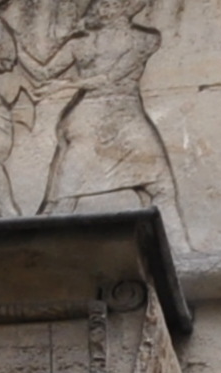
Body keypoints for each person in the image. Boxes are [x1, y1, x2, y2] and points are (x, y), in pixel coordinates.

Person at [32, 0, 184, 229]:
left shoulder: (144, 39)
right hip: (92, 120)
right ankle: (45, 250)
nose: (103, 8)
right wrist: (14, 44)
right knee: (65, 196)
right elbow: (43, 72)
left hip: (124, 118)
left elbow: (110, 78)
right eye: (102, 4)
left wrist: (65, 85)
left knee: (161, 187)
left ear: (127, 7)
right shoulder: (81, 43)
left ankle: (179, 250)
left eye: (111, 4)